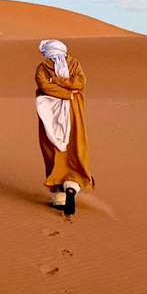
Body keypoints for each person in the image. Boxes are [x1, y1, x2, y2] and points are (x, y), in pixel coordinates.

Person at [35, 39, 94, 215]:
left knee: (52, 148)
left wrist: (55, 80)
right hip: (74, 111)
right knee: (75, 147)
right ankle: (72, 187)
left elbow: (45, 85)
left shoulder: (43, 67)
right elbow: (77, 83)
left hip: (49, 114)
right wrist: (68, 92)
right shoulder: (73, 64)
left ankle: (59, 196)